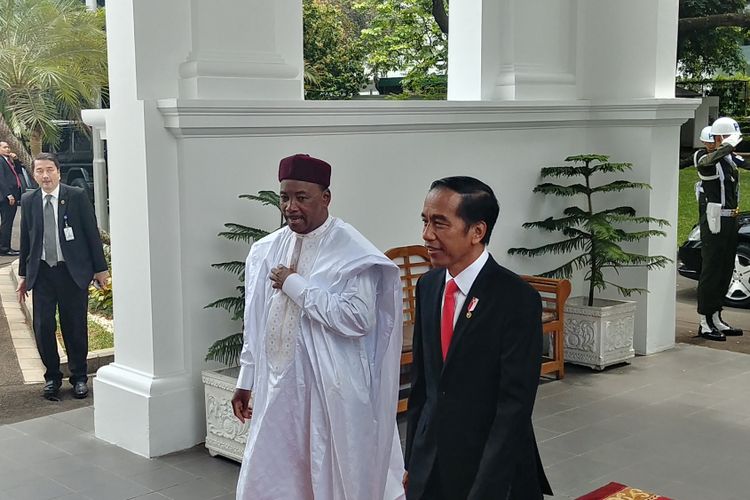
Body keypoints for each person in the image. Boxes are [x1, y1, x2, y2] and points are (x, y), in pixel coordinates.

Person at [231, 153, 405, 500]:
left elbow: (357, 319)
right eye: (284, 197)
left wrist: (295, 285)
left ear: (325, 197)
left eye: (301, 197)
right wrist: (246, 380)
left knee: (329, 474)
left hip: (329, 391)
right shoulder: (266, 250)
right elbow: (255, 320)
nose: (291, 206)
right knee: (276, 477)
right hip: (278, 388)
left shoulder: (352, 249)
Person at [404, 176, 552, 500]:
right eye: (425, 221)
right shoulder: (428, 287)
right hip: (431, 465)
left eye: (440, 223)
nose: (427, 235)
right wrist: (411, 461)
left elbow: (513, 407)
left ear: (477, 231)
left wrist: (487, 488)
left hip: (488, 471)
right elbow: (423, 387)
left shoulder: (515, 298)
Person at [16, 153, 108, 400]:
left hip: (71, 272)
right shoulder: (29, 200)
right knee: (43, 326)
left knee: (74, 326)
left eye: (49, 170)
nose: (45, 176)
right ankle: (52, 377)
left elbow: (91, 234)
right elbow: (27, 239)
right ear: (34, 174)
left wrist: (101, 270)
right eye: (39, 171)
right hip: (43, 273)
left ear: (58, 171)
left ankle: (79, 377)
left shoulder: (75, 197)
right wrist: (24, 275)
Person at [693, 117, 747, 341]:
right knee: (711, 270)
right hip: (714, 222)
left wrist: (730, 150)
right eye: (725, 138)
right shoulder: (704, 157)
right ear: (716, 138)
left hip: (730, 220)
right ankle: (704, 321)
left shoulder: (728, 159)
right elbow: (706, 162)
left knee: (725, 270)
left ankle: (716, 317)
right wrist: (725, 147)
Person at [0, 141, 24, 255]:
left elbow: (19, 172)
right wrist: (8, 194)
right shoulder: (0, 161)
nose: (8, 149)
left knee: (7, 221)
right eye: (5, 147)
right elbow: (1, 179)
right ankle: (4, 248)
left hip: (13, 193)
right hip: (7, 196)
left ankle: (5, 246)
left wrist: (16, 160)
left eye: (8, 147)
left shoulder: (8, 160)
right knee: (7, 222)